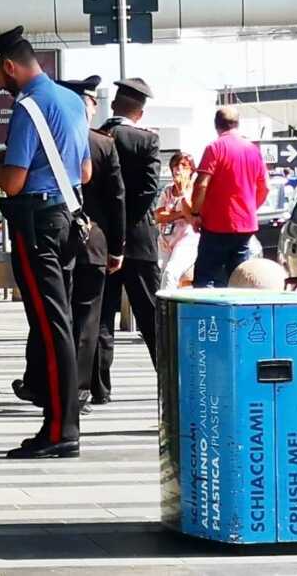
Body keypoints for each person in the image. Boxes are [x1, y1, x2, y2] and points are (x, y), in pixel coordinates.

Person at [0, 26, 90, 458]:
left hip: (37, 223)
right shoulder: (70, 100)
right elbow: (84, 171)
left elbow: (12, 182)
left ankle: (59, 430)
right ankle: (62, 423)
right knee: (60, 322)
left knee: (50, 329)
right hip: (68, 216)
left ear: (9, 66)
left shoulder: (29, 108)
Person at [57, 77, 125, 417]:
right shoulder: (102, 144)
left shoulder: (51, 140)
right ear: (88, 104)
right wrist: (118, 246)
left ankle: (49, 383)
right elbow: (117, 199)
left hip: (54, 241)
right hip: (94, 244)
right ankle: (79, 389)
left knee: (59, 317)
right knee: (86, 319)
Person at [96, 78, 161, 392]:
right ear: (141, 111)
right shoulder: (146, 140)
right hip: (138, 243)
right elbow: (149, 189)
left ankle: (98, 387)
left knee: (100, 317)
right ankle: (168, 380)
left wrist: (111, 229)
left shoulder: (96, 137)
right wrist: (127, 225)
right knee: (151, 316)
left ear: (113, 105)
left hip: (100, 241)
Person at [191, 107, 268, 287]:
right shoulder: (253, 149)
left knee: (206, 278)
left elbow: (201, 184)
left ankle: (209, 315)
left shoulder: (214, 148)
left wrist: (196, 213)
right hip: (245, 226)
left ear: (216, 125)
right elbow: (265, 187)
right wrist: (250, 208)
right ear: (237, 124)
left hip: (216, 224)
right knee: (239, 278)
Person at [156, 152, 199, 290]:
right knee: (161, 274)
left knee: (170, 273)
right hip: (165, 241)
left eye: (184, 166)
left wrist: (185, 190)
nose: (178, 169)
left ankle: (166, 309)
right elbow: (158, 216)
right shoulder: (168, 190)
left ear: (191, 169)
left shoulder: (194, 191)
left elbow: (191, 212)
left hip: (186, 240)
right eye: (175, 165)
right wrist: (180, 214)